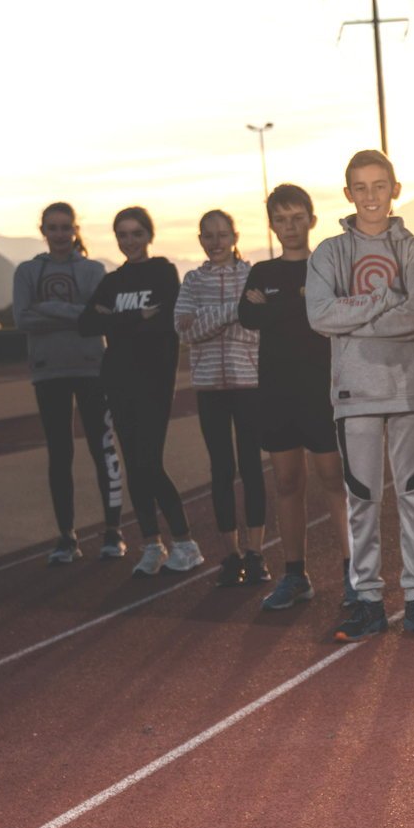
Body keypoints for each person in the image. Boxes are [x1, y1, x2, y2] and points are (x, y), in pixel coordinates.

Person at [307, 150, 414, 642]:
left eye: (379, 186)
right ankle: (366, 599)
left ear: (394, 189)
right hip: (355, 392)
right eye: (360, 188)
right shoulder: (328, 253)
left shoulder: (412, 250)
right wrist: (383, 299)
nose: (370, 196)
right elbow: (319, 316)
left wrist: (359, 318)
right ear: (348, 194)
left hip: (409, 389)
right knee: (361, 498)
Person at [240, 184, 353, 611]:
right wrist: (298, 307)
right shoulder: (262, 272)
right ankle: (295, 575)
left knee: (333, 481)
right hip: (276, 393)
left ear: (311, 219)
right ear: (271, 224)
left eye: (297, 217)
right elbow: (246, 316)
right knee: (287, 484)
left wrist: (278, 308)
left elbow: (325, 318)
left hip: (322, 391)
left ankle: (353, 574)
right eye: (281, 219)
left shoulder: (325, 267)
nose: (290, 226)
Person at [77, 207, 203, 575]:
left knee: (149, 462)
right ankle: (152, 544)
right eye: (122, 234)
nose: (129, 241)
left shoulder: (163, 272)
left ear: (149, 235)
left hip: (153, 382)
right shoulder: (113, 280)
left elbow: (165, 323)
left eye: (136, 233)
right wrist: (135, 317)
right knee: (134, 465)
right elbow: (86, 323)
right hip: (117, 381)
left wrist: (114, 321)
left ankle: (185, 542)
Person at [13, 201, 123, 564]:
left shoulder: (94, 269)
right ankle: (66, 536)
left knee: (103, 450)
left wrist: (46, 307)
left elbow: (99, 319)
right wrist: (77, 315)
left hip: (93, 369)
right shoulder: (27, 271)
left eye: (66, 227)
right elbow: (22, 319)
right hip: (49, 372)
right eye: (53, 227)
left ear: (76, 230)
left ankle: (113, 531)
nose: (60, 234)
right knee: (60, 455)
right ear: (42, 230)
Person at [176, 210, 271, 589]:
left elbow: (260, 328)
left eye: (222, 235)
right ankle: (230, 556)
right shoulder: (192, 280)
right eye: (208, 236)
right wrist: (236, 311)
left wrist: (212, 320)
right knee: (220, 470)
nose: (216, 242)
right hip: (210, 389)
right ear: (200, 239)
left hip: (249, 385)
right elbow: (185, 330)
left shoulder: (254, 275)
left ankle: (257, 554)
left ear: (234, 236)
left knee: (251, 468)